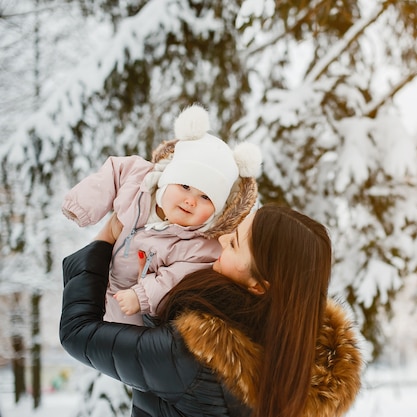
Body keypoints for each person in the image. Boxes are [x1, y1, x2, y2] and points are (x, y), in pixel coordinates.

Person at [60, 205, 363, 417]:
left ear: (259, 285)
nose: (220, 240)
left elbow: (78, 333)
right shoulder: (303, 358)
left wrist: (106, 237)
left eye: (233, 244)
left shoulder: (192, 355)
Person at [62, 104, 262, 325]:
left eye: (205, 197)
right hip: (104, 278)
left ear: (218, 209)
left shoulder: (202, 247)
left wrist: (141, 296)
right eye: (185, 186)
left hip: (135, 305)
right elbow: (114, 171)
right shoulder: (141, 183)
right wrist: (83, 205)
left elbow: (174, 279)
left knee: (113, 342)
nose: (190, 201)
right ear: (169, 178)